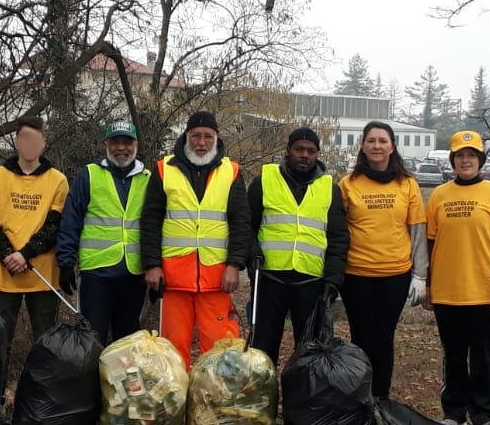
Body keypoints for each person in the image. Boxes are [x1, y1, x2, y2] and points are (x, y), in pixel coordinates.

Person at [139, 111, 251, 368]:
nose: (201, 143)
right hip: (173, 278)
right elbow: (150, 221)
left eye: (208, 137)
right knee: (172, 351)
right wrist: (152, 264)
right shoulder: (163, 169)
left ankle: (213, 404)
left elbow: (240, 222)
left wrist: (234, 265)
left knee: (221, 352)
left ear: (216, 138)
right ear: (187, 136)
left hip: (217, 279)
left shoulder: (232, 172)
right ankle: (177, 402)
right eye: (196, 136)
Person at [424, 129, 490, 425]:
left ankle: (483, 416)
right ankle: (453, 413)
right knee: (452, 356)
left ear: (480, 159)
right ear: (452, 160)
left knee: (481, 358)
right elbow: (429, 243)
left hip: (484, 293)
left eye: (471, 155)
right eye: (460, 156)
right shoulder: (439, 195)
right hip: (446, 292)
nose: (465, 160)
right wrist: (427, 285)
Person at [338, 121, 428, 408]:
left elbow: (417, 231)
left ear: (392, 146)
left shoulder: (408, 184)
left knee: (384, 337)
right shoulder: (347, 183)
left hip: (396, 275)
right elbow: (338, 232)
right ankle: (360, 398)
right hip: (356, 275)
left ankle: (382, 399)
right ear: (362, 145)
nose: (377, 146)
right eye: (371, 140)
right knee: (361, 338)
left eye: (383, 141)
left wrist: (420, 275)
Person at [247, 127, 348, 364]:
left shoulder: (329, 189)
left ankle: (304, 399)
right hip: (271, 278)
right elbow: (246, 226)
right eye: (299, 149)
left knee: (309, 350)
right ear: (288, 150)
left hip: (310, 281)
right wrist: (252, 255)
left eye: (311, 151)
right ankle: (263, 398)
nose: (304, 155)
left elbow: (338, 237)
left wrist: (333, 280)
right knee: (263, 348)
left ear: (317, 154)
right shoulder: (264, 181)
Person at [0, 116, 69, 359]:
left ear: (43, 143)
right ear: (16, 142)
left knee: (46, 344)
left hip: (42, 275)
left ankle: (41, 397)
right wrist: (9, 256)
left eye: (35, 139)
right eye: (25, 138)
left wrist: (25, 254)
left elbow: (54, 226)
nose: (30, 145)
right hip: (1, 272)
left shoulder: (58, 180)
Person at [56, 120, 149, 345]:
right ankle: (91, 382)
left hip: (134, 274)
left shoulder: (148, 178)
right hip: (97, 274)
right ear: (106, 144)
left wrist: (157, 266)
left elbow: (156, 226)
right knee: (91, 340)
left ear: (135, 144)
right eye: (115, 142)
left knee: (127, 345)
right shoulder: (89, 175)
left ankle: (120, 382)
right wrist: (66, 262)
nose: (121, 148)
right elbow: (71, 220)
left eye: (126, 142)